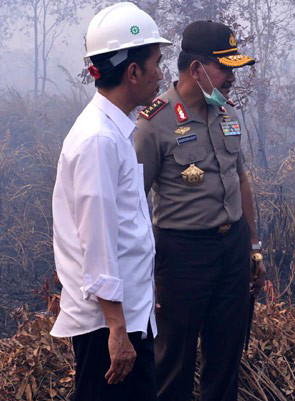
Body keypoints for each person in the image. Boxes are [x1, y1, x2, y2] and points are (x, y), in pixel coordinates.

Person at [134, 21, 266, 401]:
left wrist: (253, 246)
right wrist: (145, 270)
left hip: (232, 249)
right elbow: (133, 203)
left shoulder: (227, 113)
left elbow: (240, 180)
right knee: (173, 362)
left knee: (225, 359)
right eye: (225, 68)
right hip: (182, 255)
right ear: (196, 69)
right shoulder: (153, 124)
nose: (232, 79)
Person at [50, 3, 171, 400]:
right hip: (108, 327)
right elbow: (97, 241)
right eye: (155, 62)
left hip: (126, 317)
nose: (160, 73)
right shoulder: (98, 140)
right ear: (133, 72)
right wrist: (117, 329)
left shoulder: (115, 131)